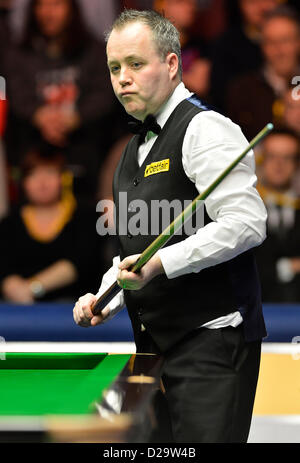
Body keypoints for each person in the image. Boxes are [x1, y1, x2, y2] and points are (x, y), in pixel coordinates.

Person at [73, 9, 267, 443]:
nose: (123, 77)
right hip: (152, 353)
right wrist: (107, 296)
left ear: (172, 64)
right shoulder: (132, 151)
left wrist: (161, 263)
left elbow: (247, 223)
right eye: (114, 68)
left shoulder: (206, 129)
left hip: (212, 344)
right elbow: (138, 252)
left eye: (136, 64)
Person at [4, 0, 115, 203]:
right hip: (34, 149)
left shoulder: (94, 50)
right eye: (41, 5)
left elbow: (104, 95)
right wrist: (39, 116)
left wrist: (75, 118)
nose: (48, 12)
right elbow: (16, 92)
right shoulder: (20, 53)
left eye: (56, 4)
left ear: (71, 8)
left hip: (84, 149)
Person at [0, 144, 101, 303]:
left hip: (74, 308)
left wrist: (33, 288)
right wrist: (12, 287)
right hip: (18, 309)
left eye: (49, 172)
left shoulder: (85, 217)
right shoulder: (9, 223)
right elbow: (3, 267)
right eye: (33, 174)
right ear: (24, 182)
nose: (42, 182)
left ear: (63, 179)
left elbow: (82, 262)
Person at [226, 5, 300, 139]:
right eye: (271, 42)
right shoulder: (242, 90)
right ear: (262, 46)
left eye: (285, 40)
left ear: (297, 42)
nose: (279, 50)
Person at [255, 128, 300, 302]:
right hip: (255, 315)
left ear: (297, 163)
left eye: (287, 157)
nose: (279, 165)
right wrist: (290, 266)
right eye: (272, 156)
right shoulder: (242, 210)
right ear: (260, 160)